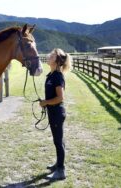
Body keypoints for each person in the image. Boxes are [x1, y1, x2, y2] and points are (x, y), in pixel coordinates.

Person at [39, 48, 72, 181]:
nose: (48, 56)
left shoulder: (57, 76)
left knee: (58, 141)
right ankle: (58, 164)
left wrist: (46, 102)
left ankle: (61, 171)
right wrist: (45, 102)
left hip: (57, 112)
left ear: (57, 61)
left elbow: (60, 98)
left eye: (52, 55)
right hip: (54, 112)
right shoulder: (51, 75)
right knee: (58, 140)